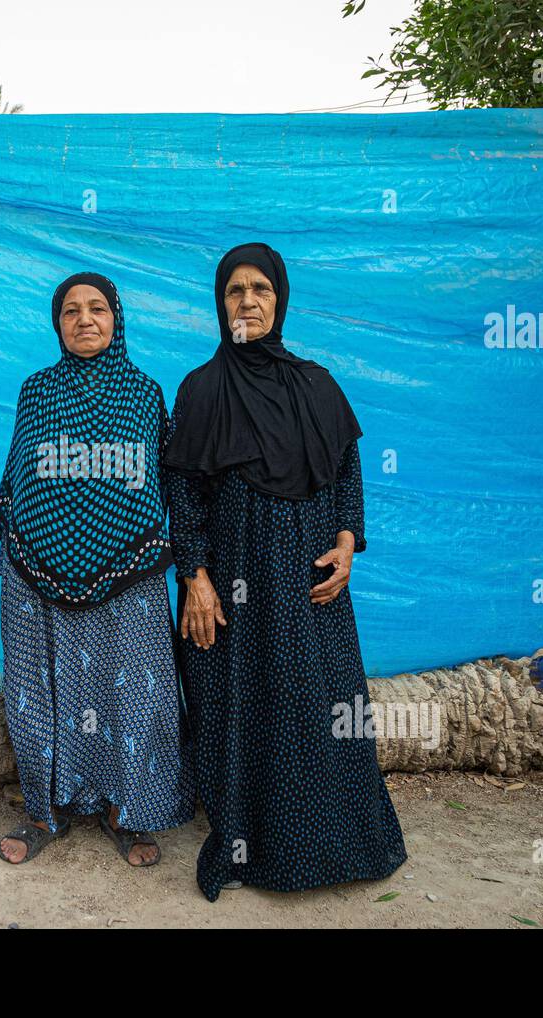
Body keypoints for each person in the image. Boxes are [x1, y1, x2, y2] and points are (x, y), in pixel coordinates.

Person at [163, 242, 407, 902]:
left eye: (260, 290)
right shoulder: (202, 389)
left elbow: (347, 474)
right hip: (235, 581)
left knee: (319, 704)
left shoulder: (317, 385)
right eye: (234, 291)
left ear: (280, 300)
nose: (247, 301)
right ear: (220, 304)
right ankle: (250, 845)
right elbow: (181, 490)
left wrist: (350, 541)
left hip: (308, 580)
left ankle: (336, 843)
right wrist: (196, 574)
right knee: (243, 706)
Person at [0, 272, 194, 867]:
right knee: (36, 690)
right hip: (35, 570)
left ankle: (124, 811)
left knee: (132, 692)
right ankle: (41, 811)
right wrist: (29, 548)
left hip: (129, 571)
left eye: (97, 309)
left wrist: (159, 557)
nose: (84, 320)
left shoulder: (145, 394)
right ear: (56, 324)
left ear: (116, 319)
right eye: (71, 311)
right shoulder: (36, 391)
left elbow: (161, 484)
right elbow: (20, 483)